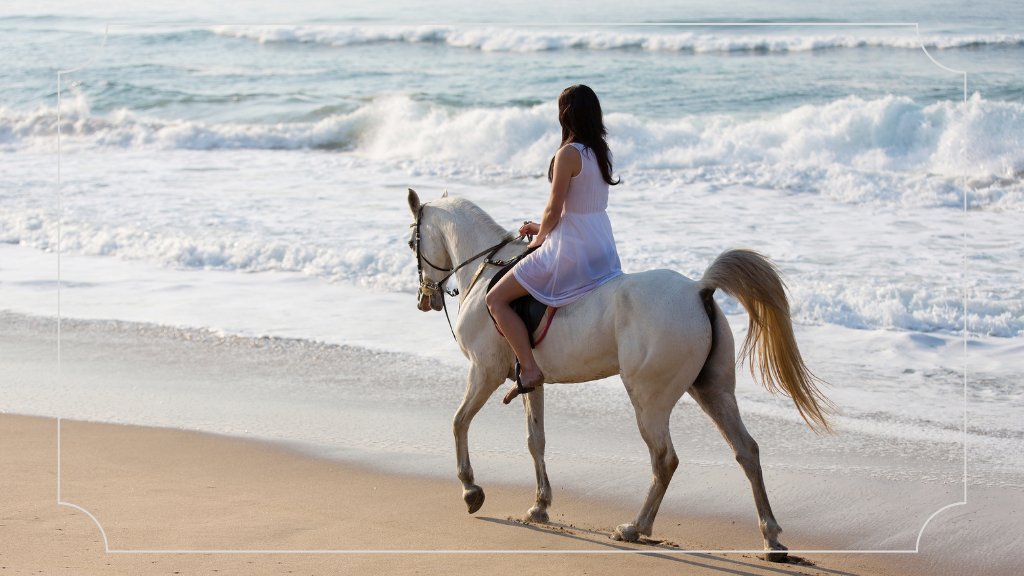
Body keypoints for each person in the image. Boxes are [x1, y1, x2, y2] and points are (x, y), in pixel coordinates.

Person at [485, 84, 624, 405]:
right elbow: (579, 208)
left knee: (495, 299)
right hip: (600, 246)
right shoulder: (601, 152)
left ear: (566, 115)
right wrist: (539, 226)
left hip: (570, 249)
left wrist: (540, 239)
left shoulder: (568, 154)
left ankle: (530, 369)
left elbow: (554, 208)